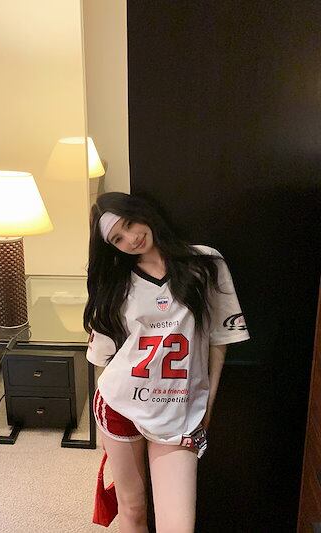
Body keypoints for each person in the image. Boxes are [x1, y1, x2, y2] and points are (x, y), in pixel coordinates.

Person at [84, 192, 250, 533]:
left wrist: (207, 407)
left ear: (142, 213)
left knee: (178, 526)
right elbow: (104, 360)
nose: (131, 238)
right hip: (120, 406)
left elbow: (219, 341)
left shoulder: (205, 262)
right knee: (133, 508)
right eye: (118, 238)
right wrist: (102, 427)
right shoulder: (115, 283)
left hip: (180, 411)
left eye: (130, 224)